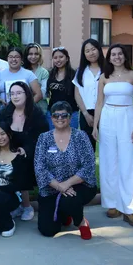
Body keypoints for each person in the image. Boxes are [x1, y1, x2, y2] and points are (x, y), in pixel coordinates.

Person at [93, 44, 133, 228]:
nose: (116, 57)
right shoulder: (104, 78)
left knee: (128, 161)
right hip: (107, 118)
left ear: (125, 56)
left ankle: (129, 209)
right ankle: (112, 204)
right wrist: (96, 126)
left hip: (127, 117)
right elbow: (99, 103)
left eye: (120, 54)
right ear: (109, 58)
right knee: (108, 161)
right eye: (113, 54)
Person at [34, 101, 97, 240]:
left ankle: (81, 222)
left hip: (79, 185)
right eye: (56, 115)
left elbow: (88, 165)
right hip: (51, 188)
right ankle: (65, 213)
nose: (60, 119)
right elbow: (39, 168)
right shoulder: (43, 138)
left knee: (69, 200)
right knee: (47, 230)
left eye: (64, 115)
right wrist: (59, 186)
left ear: (70, 117)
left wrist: (66, 184)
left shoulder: (81, 136)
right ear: (51, 118)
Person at [0, 81, 49, 220]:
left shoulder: (36, 114)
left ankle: (26, 205)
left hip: (30, 153)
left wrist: (26, 150)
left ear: (27, 94)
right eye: (12, 93)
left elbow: (41, 137)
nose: (15, 96)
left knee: (20, 164)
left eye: (19, 93)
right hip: (9, 149)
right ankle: (14, 205)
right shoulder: (6, 112)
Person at [73, 39, 104, 150]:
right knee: (88, 147)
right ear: (84, 54)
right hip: (87, 113)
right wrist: (85, 114)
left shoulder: (108, 69)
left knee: (107, 145)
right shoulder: (81, 71)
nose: (91, 53)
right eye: (87, 51)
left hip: (106, 111)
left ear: (99, 50)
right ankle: (89, 168)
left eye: (93, 49)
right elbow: (77, 94)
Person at [47, 47, 78, 129]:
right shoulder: (51, 74)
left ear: (67, 58)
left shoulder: (74, 75)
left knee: (70, 139)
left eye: (61, 57)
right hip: (53, 113)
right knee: (53, 138)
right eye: (55, 58)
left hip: (71, 113)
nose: (58, 60)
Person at [23, 43, 49, 113]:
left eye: (36, 54)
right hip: (21, 108)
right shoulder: (21, 70)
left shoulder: (44, 72)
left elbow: (43, 93)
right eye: (30, 54)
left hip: (40, 109)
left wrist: (28, 105)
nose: (33, 56)